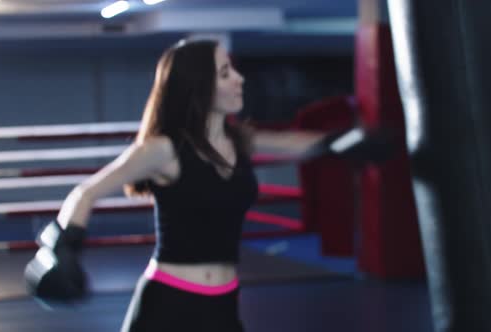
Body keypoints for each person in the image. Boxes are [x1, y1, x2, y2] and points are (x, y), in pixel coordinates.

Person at [24, 38, 391, 332]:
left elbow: (298, 144)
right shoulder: (162, 149)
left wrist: (342, 142)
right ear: (200, 85)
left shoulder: (240, 140)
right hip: (168, 303)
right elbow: (86, 192)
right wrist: (64, 245)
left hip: (223, 303)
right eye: (226, 72)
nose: (240, 79)